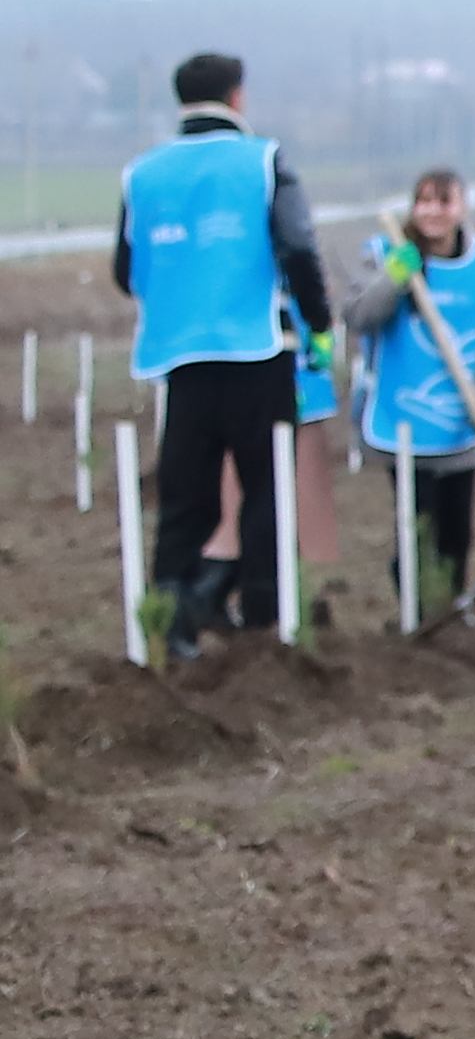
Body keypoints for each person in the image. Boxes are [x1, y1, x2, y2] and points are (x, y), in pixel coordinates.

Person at [109, 52, 329, 655]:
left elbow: (126, 270)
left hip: (180, 359)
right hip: (258, 349)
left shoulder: (143, 173)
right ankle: (262, 617)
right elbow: (299, 247)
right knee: (264, 486)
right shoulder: (263, 160)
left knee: (185, 494)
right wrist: (320, 323)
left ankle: (174, 620)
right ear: (238, 97)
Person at [338, 164, 475, 611]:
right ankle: (415, 604)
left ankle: (450, 605)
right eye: (424, 200)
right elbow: (357, 317)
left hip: (462, 417)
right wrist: (393, 278)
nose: (433, 211)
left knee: (457, 527)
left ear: (461, 208)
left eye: (444, 201)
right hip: (402, 419)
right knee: (418, 520)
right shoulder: (383, 253)